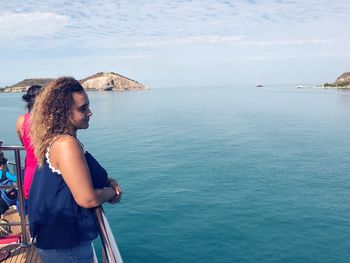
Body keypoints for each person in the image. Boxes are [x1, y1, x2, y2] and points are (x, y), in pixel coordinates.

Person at [28, 77, 122, 263]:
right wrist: (114, 192)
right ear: (63, 112)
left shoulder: (57, 139)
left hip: (57, 240)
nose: (90, 113)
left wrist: (106, 181)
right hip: (66, 246)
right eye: (83, 108)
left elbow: (74, 179)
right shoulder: (66, 144)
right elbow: (87, 198)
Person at [16, 85, 42, 200]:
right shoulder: (49, 120)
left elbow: (23, 140)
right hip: (47, 168)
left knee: (33, 203)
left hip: (30, 168)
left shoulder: (21, 120)